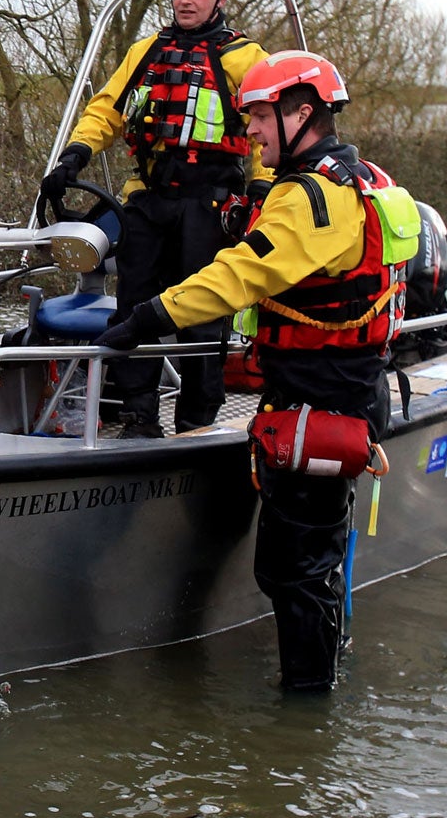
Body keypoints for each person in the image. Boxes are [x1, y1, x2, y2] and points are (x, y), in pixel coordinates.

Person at [99, 51, 402, 691]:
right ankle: (324, 672)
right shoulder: (361, 177)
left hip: (318, 402)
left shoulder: (308, 195)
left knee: (293, 570)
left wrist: (149, 316)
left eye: (261, 116)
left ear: (302, 112)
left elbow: (242, 273)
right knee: (313, 560)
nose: (252, 132)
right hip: (343, 391)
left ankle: (306, 712)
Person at [40, 0, 270, 435]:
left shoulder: (247, 59)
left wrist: (261, 190)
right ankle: (138, 414)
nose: (186, 1)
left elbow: (265, 129)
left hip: (210, 203)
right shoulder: (144, 52)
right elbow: (106, 110)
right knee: (133, 308)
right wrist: (74, 155)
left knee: (204, 315)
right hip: (149, 197)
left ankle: (196, 422)